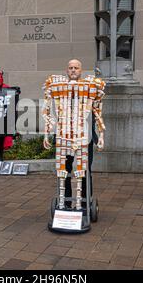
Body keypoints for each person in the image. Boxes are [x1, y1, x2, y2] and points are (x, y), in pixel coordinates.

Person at [42, 59, 105, 210]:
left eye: (76, 68)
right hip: (63, 136)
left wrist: (101, 134)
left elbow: (97, 111)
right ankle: (66, 203)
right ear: (66, 70)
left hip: (84, 137)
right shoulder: (56, 86)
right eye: (70, 68)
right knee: (64, 170)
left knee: (84, 170)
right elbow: (46, 110)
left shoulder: (90, 86)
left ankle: (83, 203)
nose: (73, 70)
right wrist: (46, 133)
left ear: (81, 70)